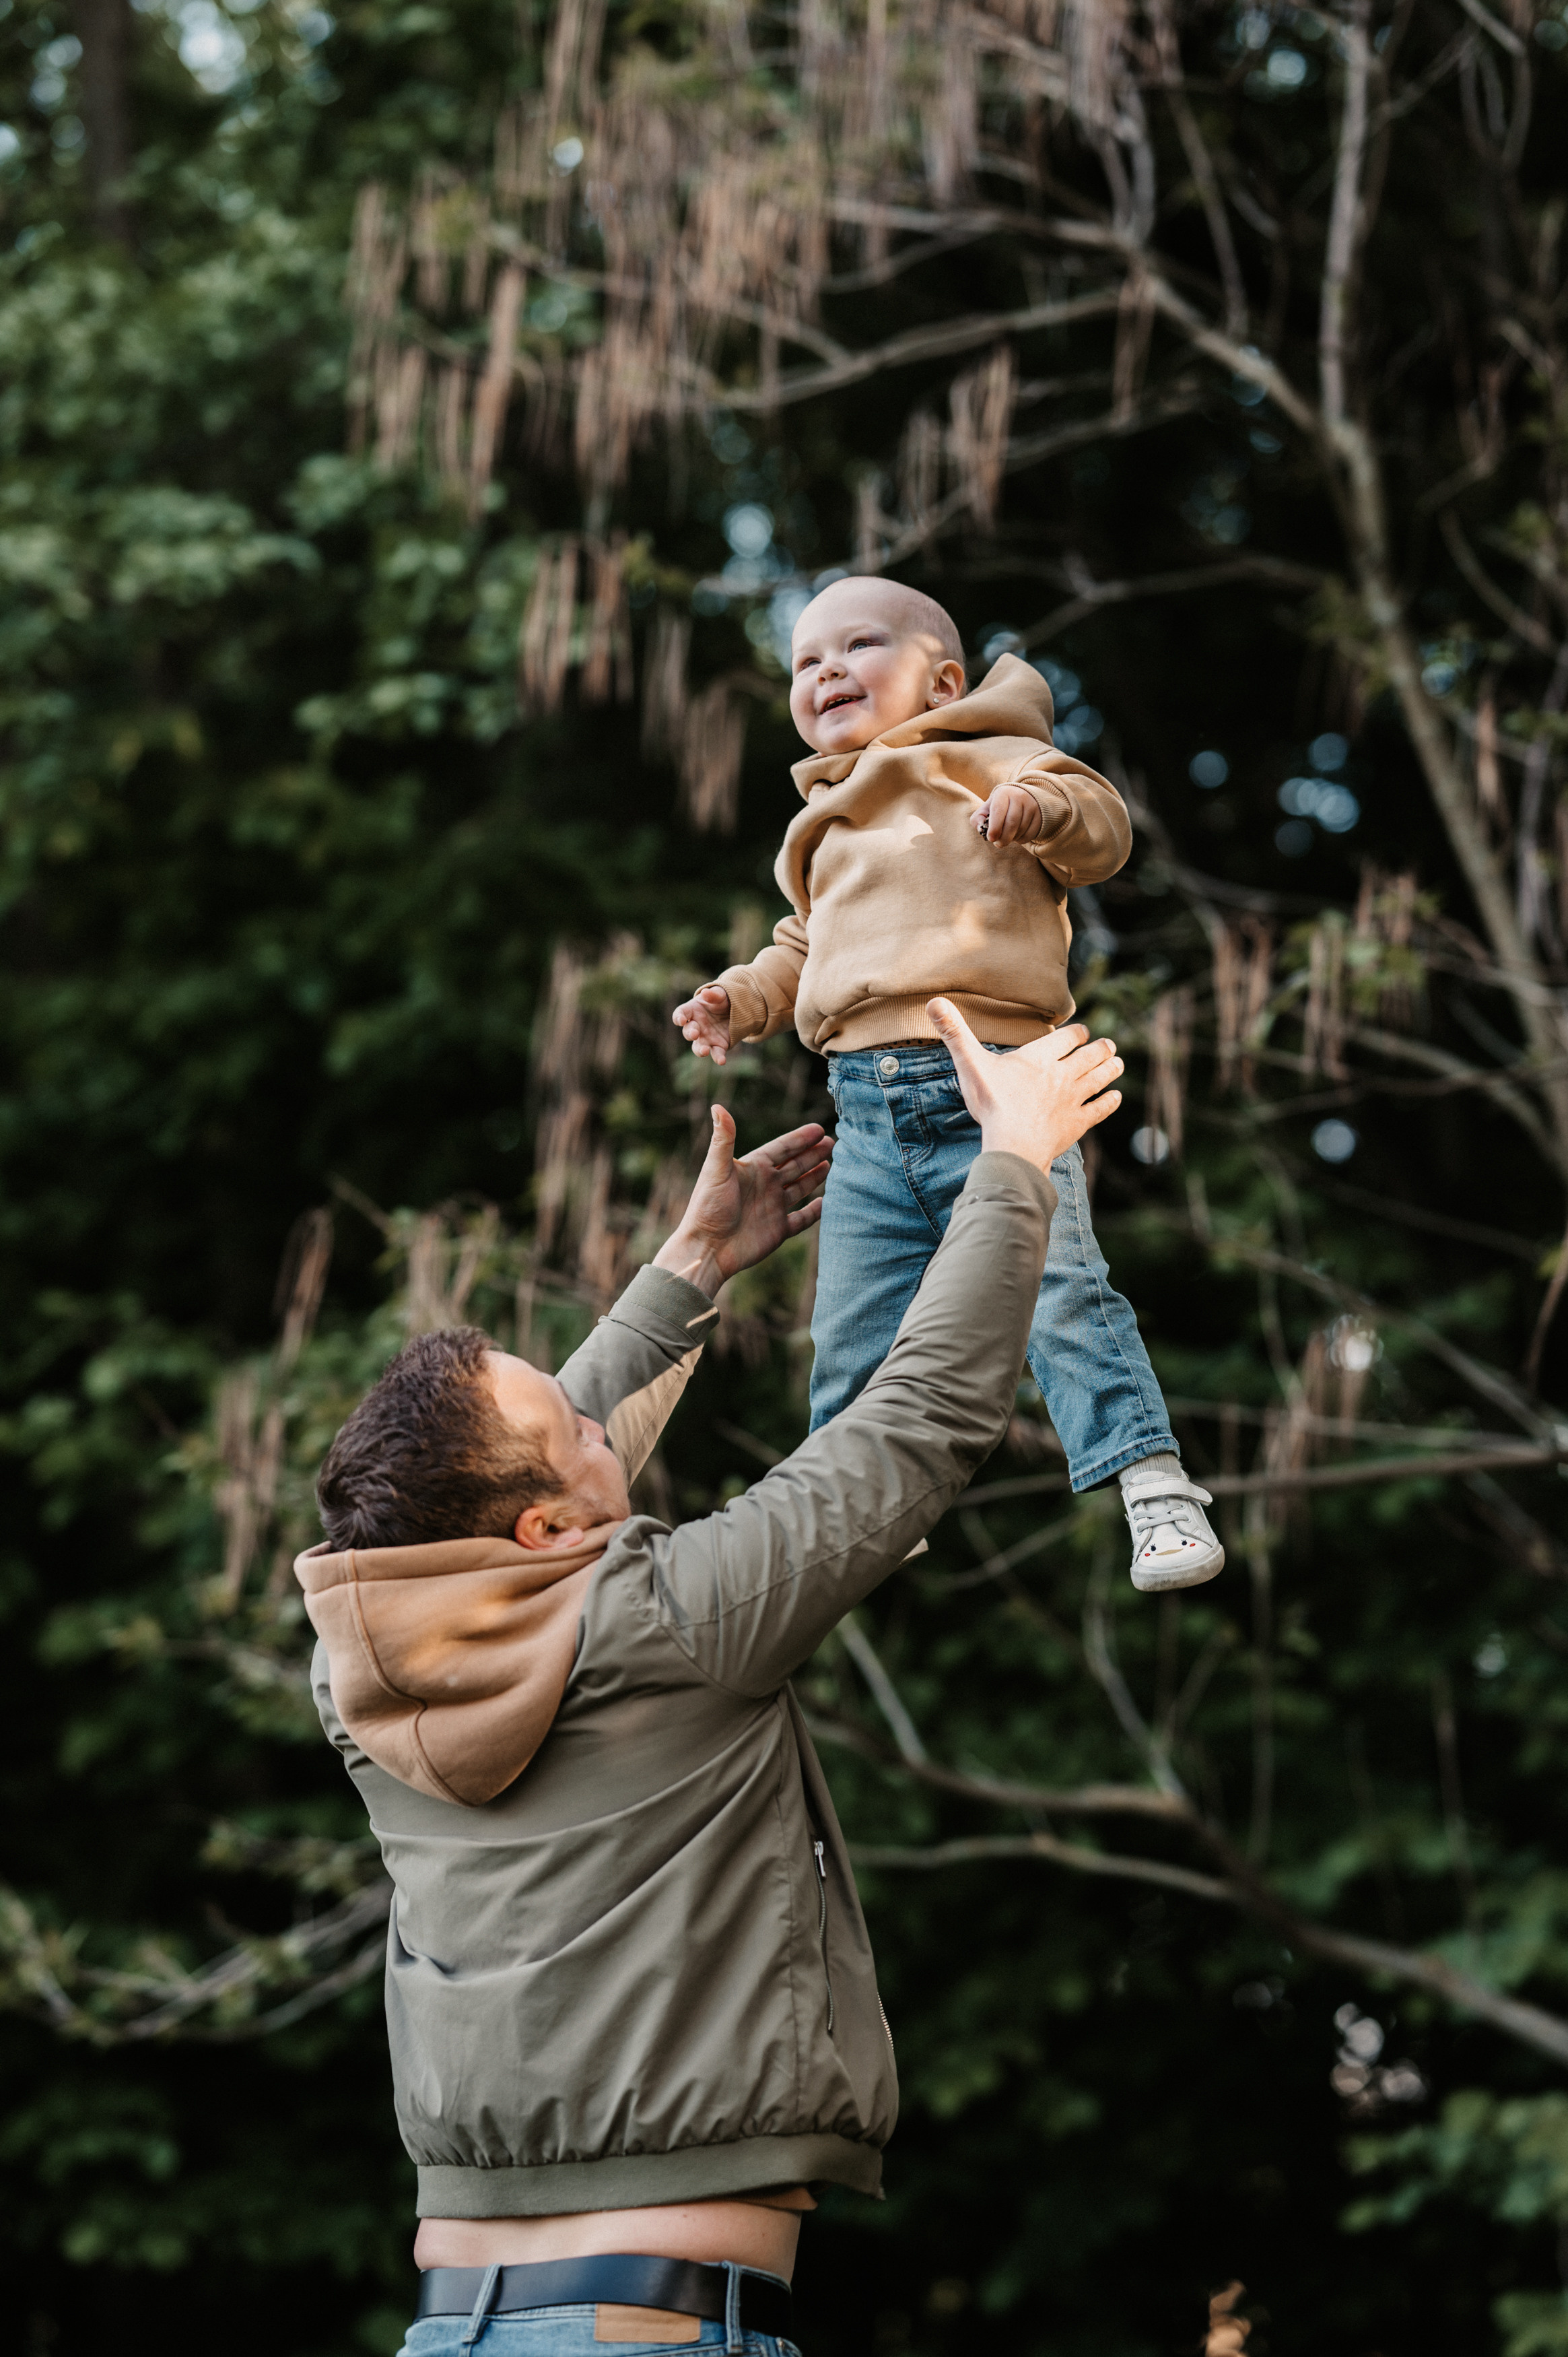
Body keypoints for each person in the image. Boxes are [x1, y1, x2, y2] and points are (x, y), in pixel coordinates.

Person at [296, 1000, 1122, 2357]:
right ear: (548, 1530)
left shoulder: (361, 1674)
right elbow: (916, 1424)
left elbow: (514, 1496)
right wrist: (1016, 1158)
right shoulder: (673, 1625)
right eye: (568, 1423)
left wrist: (690, 1269)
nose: (586, 1406)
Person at [673, 576, 1222, 1594]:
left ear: (944, 679)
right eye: (804, 662)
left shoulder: (992, 757)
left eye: (857, 645)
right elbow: (801, 946)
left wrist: (1040, 805)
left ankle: (1151, 1482)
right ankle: (857, 1524)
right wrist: (738, 1000)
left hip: (996, 1089)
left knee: (1061, 1291)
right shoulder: (827, 819)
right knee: (849, 1333)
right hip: (868, 1114)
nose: (826, 670)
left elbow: (1101, 829)